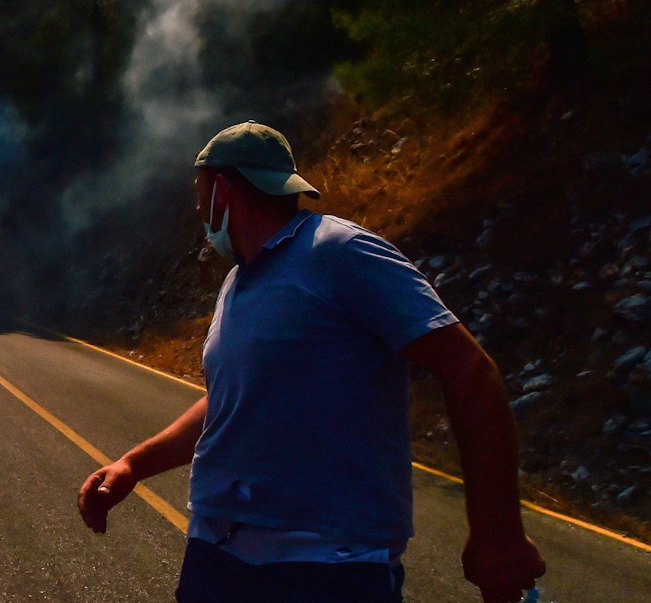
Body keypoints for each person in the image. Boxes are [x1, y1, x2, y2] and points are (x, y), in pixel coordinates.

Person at [76, 122, 545, 602]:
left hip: (325, 568)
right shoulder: (239, 282)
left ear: (221, 191)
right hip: (218, 557)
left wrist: (498, 533)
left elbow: (470, 370)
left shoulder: (340, 252)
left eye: (199, 193)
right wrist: (133, 465)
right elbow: (231, 400)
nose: (197, 209)